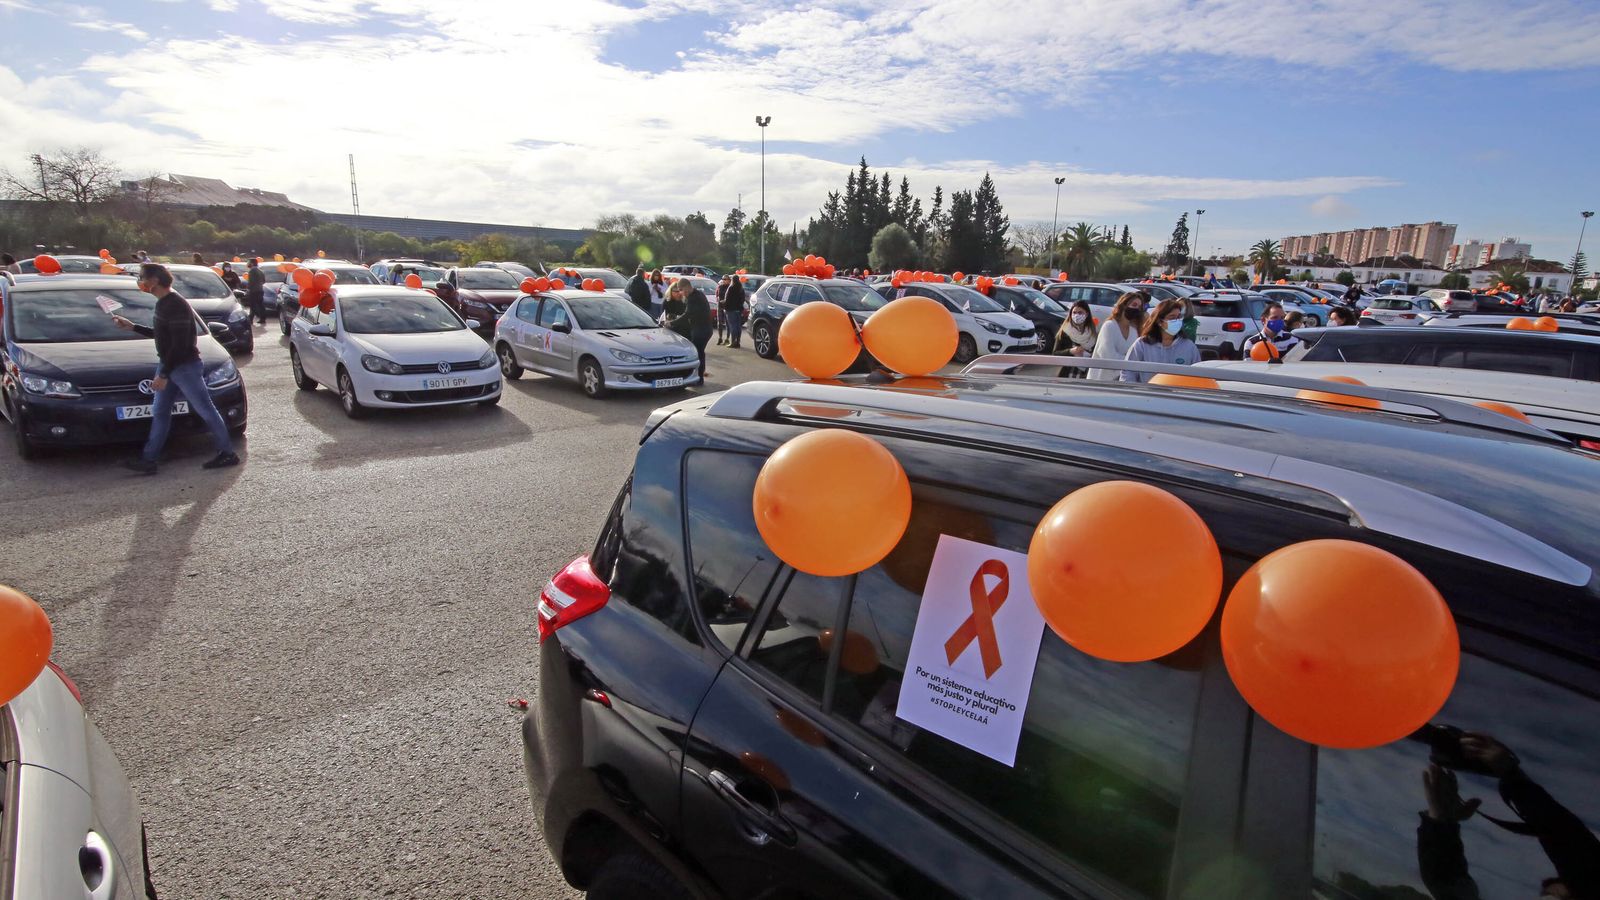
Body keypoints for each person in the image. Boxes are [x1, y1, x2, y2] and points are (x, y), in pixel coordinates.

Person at [112, 264, 238, 473]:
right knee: (160, 411)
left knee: (206, 409)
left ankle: (227, 453)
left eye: (142, 278)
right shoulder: (164, 303)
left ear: (154, 281)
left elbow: (180, 344)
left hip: (183, 366)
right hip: (171, 365)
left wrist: (164, 374)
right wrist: (132, 326)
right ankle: (149, 459)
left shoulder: (175, 304)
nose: (140, 282)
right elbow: (164, 336)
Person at [1120, 298, 1199, 383]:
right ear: (1159, 321)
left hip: (1177, 395)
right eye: (1172, 317)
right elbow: (1127, 373)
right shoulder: (1142, 344)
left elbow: (1198, 375)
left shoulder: (1189, 347)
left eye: (1179, 317)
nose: (1177, 321)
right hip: (1148, 394)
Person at [1090, 292, 1147, 382]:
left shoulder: (1134, 330)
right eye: (1134, 305)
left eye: (1139, 307)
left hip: (1122, 381)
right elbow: (1107, 355)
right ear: (1124, 305)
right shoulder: (1109, 326)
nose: (1137, 309)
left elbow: (1136, 355)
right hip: (1102, 380)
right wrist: (1130, 363)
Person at [665, 277, 712, 378]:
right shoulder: (698, 294)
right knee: (699, 353)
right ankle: (698, 376)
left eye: (681, 290)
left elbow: (687, 314)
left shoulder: (693, 298)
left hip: (701, 329)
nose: (681, 293)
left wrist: (671, 323)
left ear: (686, 287)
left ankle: (697, 377)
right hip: (705, 328)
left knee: (697, 354)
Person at [1052, 300, 1097, 377]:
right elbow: (1055, 353)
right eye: (1074, 312)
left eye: (1080, 313)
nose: (1076, 315)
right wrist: (1070, 351)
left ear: (1087, 314)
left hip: (1085, 375)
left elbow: (1096, 353)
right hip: (1067, 374)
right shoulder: (1065, 331)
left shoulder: (1092, 333)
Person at [723, 273, 747, 349]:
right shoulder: (741, 288)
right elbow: (743, 299)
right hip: (738, 309)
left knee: (732, 326)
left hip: (731, 309)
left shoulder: (731, 288)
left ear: (732, 280)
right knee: (738, 326)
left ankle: (733, 342)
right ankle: (738, 342)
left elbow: (727, 299)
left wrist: (724, 306)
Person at [244, 257, 266, 324]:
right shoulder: (260, 271)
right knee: (260, 305)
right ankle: (262, 318)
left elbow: (251, 282)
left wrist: (248, 289)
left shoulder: (252, 271)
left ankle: (251, 319)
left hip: (254, 291)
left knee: (253, 305)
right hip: (260, 290)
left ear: (252, 263)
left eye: (248, 262)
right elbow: (264, 281)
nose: (247, 264)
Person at [714, 276, 731, 345]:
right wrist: (717, 298)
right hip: (719, 306)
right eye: (723, 279)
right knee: (719, 323)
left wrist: (726, 301)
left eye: (725, 279)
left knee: (727, 323)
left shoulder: (730, 287)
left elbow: (732, 297)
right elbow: (717, 294)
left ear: (729, 280)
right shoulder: (720, 286)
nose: (723, 280)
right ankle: (720, 338)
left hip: (727, 307)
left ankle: (727, 339)